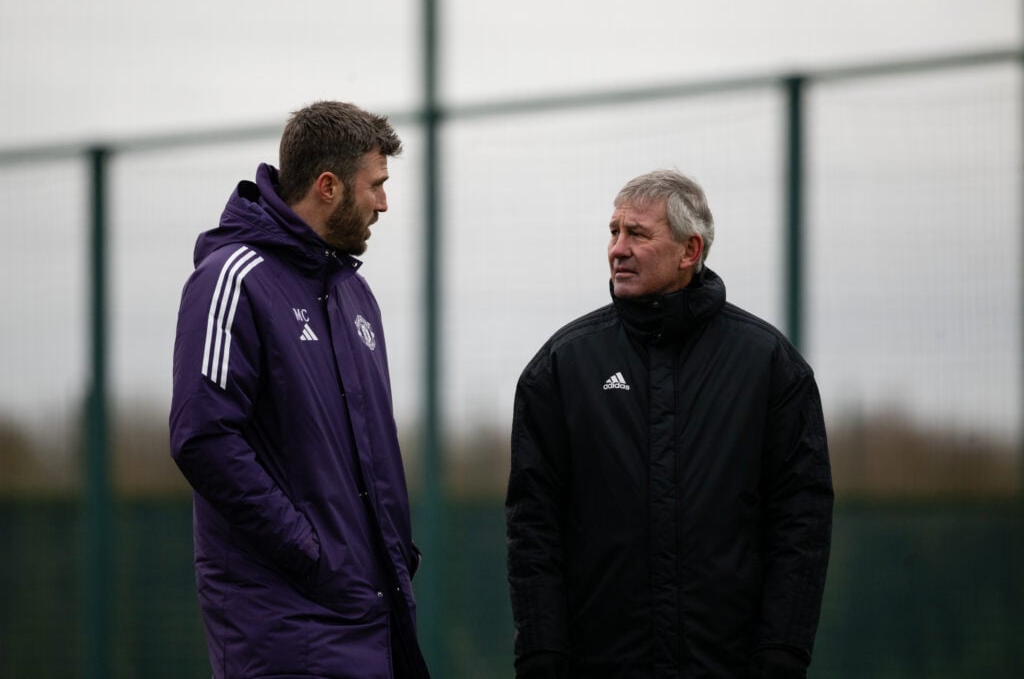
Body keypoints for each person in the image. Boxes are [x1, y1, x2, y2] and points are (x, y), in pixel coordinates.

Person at [506, 169, 833, 678]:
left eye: (637, 233)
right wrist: (541, 652)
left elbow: (802, 520)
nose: (617, 248)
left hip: (729, 662)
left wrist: (783, 651)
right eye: (613, 232)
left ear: (689, 250)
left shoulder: (767, 364)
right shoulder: (563, 365)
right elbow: (533, 524)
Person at [169, 101, 430, 679]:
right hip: (285, 626)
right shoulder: (230, 279)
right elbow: (202, 437)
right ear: (329, 186)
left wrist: (393, 556)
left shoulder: (353, 294)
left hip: (372, 617)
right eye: (377, 186)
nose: (385, 204)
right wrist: (310, 553)